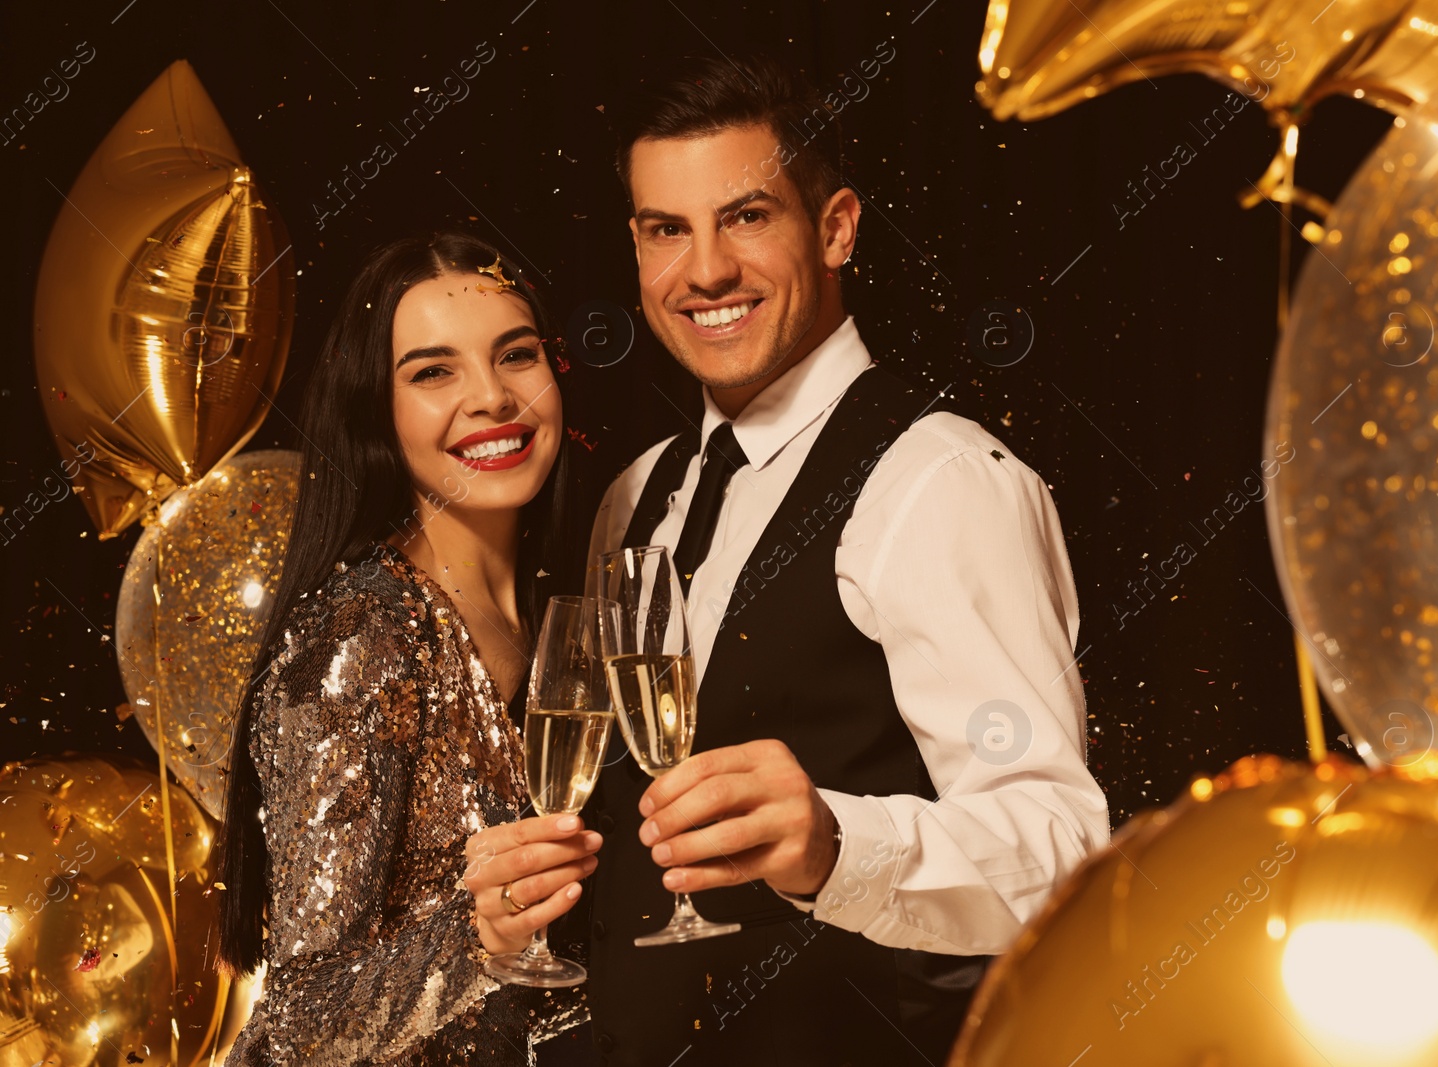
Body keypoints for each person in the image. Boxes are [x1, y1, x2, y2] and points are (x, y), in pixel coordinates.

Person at [573, 54, 1110, 1065]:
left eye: (745, 216)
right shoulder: (634, 496)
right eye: (664, 231)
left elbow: (1060, 847)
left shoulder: (937, 480)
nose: (704, 273)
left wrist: (833, 840)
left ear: (835, 227)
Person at [215, 232, 602, 1065]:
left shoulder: (562, 612)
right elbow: (300, 1017)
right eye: (434, 372)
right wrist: (479, 934)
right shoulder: (360, 637)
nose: (493, 397)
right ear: (377, 413)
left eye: (517, 355)